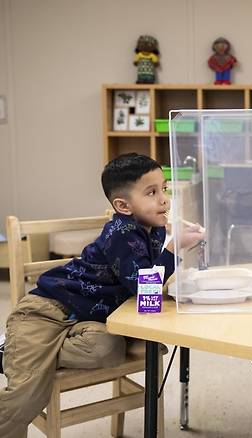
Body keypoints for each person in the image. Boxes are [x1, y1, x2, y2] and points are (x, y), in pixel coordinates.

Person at [0, 153, 204, 437]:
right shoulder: (120, 233)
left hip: (87, 319)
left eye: (164, 189)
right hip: (45, 311)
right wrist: (174, 249)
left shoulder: (153, 229)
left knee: (108, 349)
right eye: (152, 192)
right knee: (26, 395)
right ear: (122, 205)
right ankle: (15, 349)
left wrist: (173, 242)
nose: (164, 200)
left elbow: (148, 294)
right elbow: (146, 290)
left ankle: (24, 351)